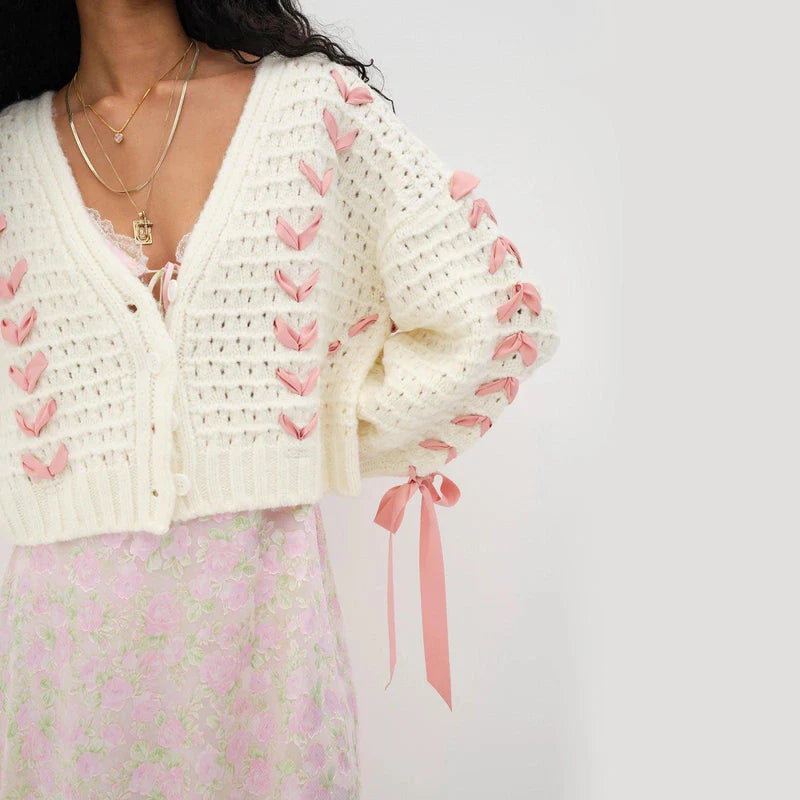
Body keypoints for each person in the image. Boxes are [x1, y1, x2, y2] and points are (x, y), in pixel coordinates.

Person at [0, 0, 558, 796]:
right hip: (66, 667)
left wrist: (309, 430)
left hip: (265, 641)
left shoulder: (308, 112)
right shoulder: (10, 154)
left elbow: (496, 316)